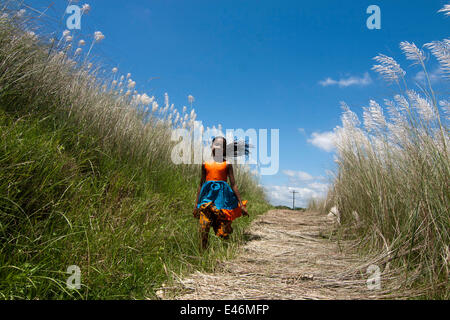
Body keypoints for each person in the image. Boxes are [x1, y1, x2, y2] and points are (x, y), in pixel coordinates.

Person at [193, 136, 249, 250]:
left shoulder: (227, 164)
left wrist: (241, 205)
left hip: (221, 201)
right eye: (216, 144)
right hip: (206, 200)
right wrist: (196, 205)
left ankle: (226, 251)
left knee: (222, 229)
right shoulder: (205, 164)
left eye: (221, 146)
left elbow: (233, 185)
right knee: (204, 227)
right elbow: (200, 185)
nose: (218, 147)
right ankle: (203, 253)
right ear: (211, 146)